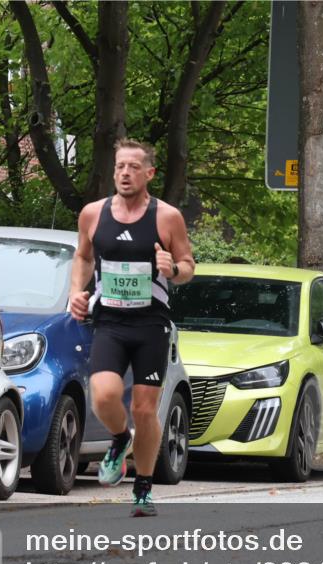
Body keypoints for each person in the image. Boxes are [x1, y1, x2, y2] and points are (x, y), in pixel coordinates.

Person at [69, 138, 195, 517]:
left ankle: (142, 488)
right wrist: (77, 292)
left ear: (149, 174)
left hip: (151, 324)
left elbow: (188, 266)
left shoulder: (166, 217)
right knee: (104, 396)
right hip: (109, 320)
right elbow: (83, 256)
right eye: (120, 166)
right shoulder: (93, 213)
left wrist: (172, 269)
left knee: (144, 409)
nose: (125, 173)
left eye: (133, 167)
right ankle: (120, 439)